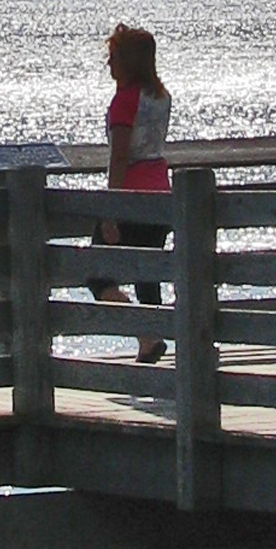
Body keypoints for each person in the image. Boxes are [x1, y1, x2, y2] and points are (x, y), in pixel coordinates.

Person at [101, 20, 173, 361]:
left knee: (96, 273)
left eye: (114, 57)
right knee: (148, 273)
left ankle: (146, 333)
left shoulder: (124, 101)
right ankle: (151, 344)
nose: (109, 64)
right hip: (161, 192)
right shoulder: (160, 97)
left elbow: (119, 158)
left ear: (128, 62)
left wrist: (110, 211)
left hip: (131, 196)